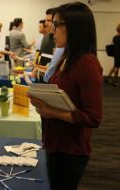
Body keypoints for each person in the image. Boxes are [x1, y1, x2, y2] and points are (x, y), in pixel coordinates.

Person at [28, 2, 102, 190]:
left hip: (70, 150)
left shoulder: (86, 63)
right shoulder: (67, 56)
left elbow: (93, 117)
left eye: (56, 25)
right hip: (56, 144)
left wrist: (51, 111)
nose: (52, 31)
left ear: (72, 26)